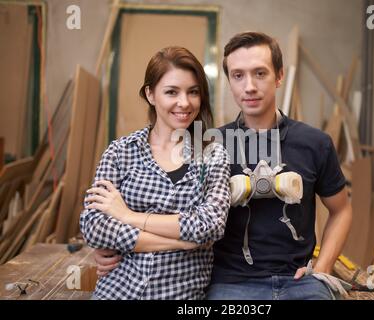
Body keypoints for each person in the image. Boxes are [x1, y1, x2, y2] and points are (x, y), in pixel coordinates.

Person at [94, 32, 352, 300]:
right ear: (229, 82)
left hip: (300, 281)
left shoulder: (315, 143)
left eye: (260, 73)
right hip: (230, 282)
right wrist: (111, 246)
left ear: (279, 76)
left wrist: (322, 268)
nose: (249, 86)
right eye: (238, 75)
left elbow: (341, 210)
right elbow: (167, 211)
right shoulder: (205, 147)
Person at [80, 46, 231, 300]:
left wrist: (127, 215)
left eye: (193, 92)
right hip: (117, 292)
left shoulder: (213, 155)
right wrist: (182, 241)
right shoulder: (121, 152)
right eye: (172, 92)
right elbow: (94, 226)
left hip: (180, 295)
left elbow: (209, 227)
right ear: (150, 94)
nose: (184, 103)